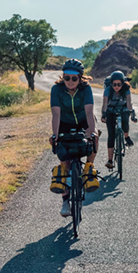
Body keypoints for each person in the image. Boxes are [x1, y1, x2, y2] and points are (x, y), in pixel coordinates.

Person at [49, 59, 99, 217]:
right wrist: (55, 136)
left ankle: (88, 168)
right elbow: (56, 114)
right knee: (65, 158)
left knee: (95, 138)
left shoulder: (86, 89)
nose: (70, 81)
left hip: (83, 120)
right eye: (66, 77)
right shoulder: (56, 89)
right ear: (63, 76)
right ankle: (65, 201)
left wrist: (91, 133)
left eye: (74, 78)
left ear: (80, 77)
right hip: (64, 122)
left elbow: (90, 113)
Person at [100, 70, 138, 169]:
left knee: (125, 121)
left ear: (123, 83)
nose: (116, 86)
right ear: (111, 83)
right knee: (111, 135)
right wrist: (103, 114)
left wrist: (132, 114)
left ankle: (126, 137)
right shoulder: (108, 90)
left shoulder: (126, 89)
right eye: (114, 84)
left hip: (123, 108)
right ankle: (110, 160)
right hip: (110, 110)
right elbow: (104, 104)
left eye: (119, 84)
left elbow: (129, 103)